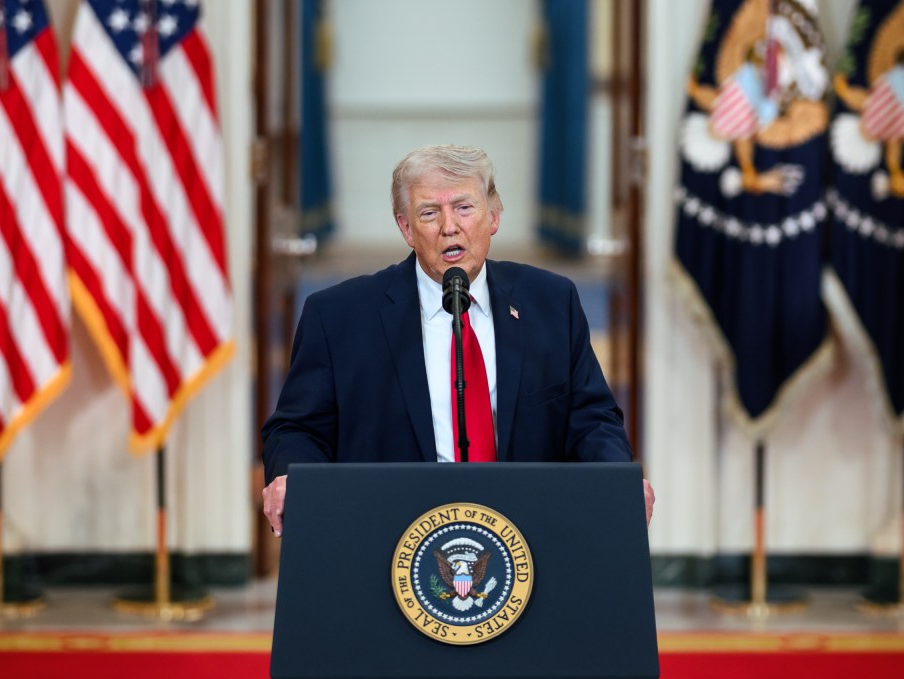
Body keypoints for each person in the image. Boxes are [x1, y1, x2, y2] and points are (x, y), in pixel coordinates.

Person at [260, 144, 654, 534]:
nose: (450, 226)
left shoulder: (551, 302)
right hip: (388, 531)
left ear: (494, 216)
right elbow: (296, 429)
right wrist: (292, 478)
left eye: (464, 208)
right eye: (430, 212)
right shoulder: (339, 316)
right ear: (406, 228)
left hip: (528, 530)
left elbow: (592, 420)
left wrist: (617, 480)